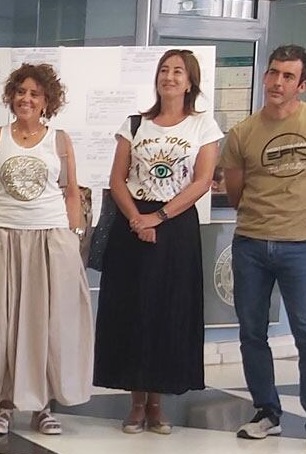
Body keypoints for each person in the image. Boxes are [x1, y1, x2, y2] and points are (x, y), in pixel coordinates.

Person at [221, 44, 306, 454]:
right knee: (251, 332)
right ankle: (266, 412)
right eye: (273, 73)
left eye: (288, 76)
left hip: (300, 247)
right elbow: (235, 191)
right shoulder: (243, 132)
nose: (278, 82)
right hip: (251, 244)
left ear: (303, 84)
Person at [0, 63, 92, 435]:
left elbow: (71, 191)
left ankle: (42, 406)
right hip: (3, 237)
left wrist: (73, 235)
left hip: (50, 240)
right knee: (1, 322)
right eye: (20, 92)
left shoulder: (60, 140)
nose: (26, 99)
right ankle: (3, 404)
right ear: (11, 96)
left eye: (34, 93)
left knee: (45, 325)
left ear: (47, 100)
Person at [93, 49, 223, 432]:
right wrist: (137, 218)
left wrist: (159, 217)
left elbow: (202, 181)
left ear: (190, 81)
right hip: (133, 224)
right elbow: (117, 178)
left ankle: (157, 404)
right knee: (133, 311)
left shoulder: (203, 126)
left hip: (176, 225)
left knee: (168, 310)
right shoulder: (135, 124)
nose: (169, 77)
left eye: (177, 71)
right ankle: (135, 403)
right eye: (164, 70)